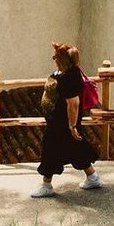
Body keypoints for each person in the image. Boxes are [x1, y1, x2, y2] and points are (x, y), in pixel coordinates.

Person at [30, 42, 101, 198]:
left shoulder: (70, 77)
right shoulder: (66, 72)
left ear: (62, 59)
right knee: (75, 147)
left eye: (55, 56)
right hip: (61, 121)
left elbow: (73, 104)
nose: (53, 59)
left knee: (50, 150)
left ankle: (46, 185)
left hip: (62, 122)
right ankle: (93, 177)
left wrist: (72, 126)